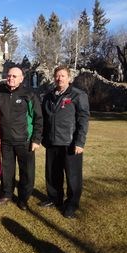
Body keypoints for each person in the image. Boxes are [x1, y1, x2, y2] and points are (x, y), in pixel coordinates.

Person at [40, 66, 89, 219]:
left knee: (73, 177)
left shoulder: (78, 95)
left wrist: (80, 142)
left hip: (70, 143)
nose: (59, 78)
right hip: (52, 142)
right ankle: (54, 198)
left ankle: (71, 205)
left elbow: (83, 120)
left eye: (63, 75)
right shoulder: (48, 96)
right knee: (53, 174)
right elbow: (43, 119)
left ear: (69, 78)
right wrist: (43, 138)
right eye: (57, 76)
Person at [0, 67, 43, 210]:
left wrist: (36, 139)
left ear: (21, 78)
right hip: (6, 140)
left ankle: (23, 198)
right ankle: (6, 193)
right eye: (9, 76)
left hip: (24, 141)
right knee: (7, 170)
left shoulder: (29, 94)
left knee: (26, 171)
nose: (11, 78)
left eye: (15, 76)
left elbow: (38, 117)